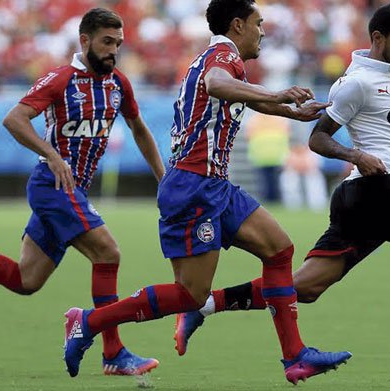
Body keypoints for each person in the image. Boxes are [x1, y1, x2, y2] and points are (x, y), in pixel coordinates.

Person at [173, 3, 390, 387]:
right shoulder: (355, 82)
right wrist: (354, 153)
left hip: (365, 198)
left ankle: (202, 308)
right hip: (378, 189)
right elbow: (318, 137)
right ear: (378, 38)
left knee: (306, 287)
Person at [61, 0, 351, 384]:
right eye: (258, 23)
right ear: (237, 26)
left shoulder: (222, 60)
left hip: (212, 184)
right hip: (195, 185)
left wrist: (291, 113)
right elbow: (217, 85)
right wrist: (278, 94)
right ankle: (88, 322)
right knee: (190, 295)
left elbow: (227, 96)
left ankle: (295, 355)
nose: (262, 31)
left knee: (279, 249)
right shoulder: (222, 57)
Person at [0, 8, 165, 378]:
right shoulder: (61, 79)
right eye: (106, 42)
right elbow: (14, 118)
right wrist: (51, 154)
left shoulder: (118, 83)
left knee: (27, 280)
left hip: (73, 192)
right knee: (108, 252)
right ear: (84, 40)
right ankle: (111, 350)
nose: (113, 50)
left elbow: (139, 129)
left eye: (118, 43)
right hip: (51, 187)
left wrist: (163, 180)